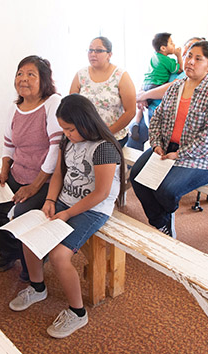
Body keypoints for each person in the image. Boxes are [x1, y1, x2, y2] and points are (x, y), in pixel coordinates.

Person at [8, 94, 124, 338]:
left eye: (70, 129)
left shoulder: (104, 148)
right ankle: (37, 288)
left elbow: (101, 193)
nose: (67, 134)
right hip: (64, 201)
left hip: (92, 209)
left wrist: (68, 213)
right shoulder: (67, 141)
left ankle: (78, 312)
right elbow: (59, 175)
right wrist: (50, 201)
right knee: (29, 236)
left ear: (85, 123)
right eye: (64, 129)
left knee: (60, 256)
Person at [130, 41, 208, 237]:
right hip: (171, 148)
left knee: (167, 190)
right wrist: (157, 143)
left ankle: (164, 225)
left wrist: (180, 154)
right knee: (137, 175)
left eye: (198, 58)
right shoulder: (176, 86)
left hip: (207, 157)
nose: (190, 62)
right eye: (189, 56)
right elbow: (158, 116)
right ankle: (162, 224)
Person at [0, 55, 62, 279]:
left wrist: (34, 187)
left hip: (45, 180)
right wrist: (4, 171)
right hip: (19, 173)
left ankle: (32, 264)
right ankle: (11, 252)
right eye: (19, 73)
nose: (23, 79)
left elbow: (56, 149)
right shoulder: (14, 108)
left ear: (44, 80)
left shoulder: (52, 103)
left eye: (30, 74)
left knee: (21, 215)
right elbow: (8, 144)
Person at [128, 36, 203, 150]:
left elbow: (171, 88)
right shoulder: (169, 62)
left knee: (148, 143)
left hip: (165, 115)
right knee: (134, 137)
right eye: (188, 46)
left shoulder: (189, 72)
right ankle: (130, 166)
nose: (189, 49)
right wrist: (142, 94)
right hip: (150, 108)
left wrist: (144, 95)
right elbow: (151, 78)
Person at [70, 36, 136, 146]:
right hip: (85, 136)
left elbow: (130, 111)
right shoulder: (81, 74)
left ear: (109, 54)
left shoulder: (120, 75)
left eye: (99, 50)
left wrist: (105, 133)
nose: (93, 54)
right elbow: (71, 106)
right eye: (90, 50)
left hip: (112, 136)